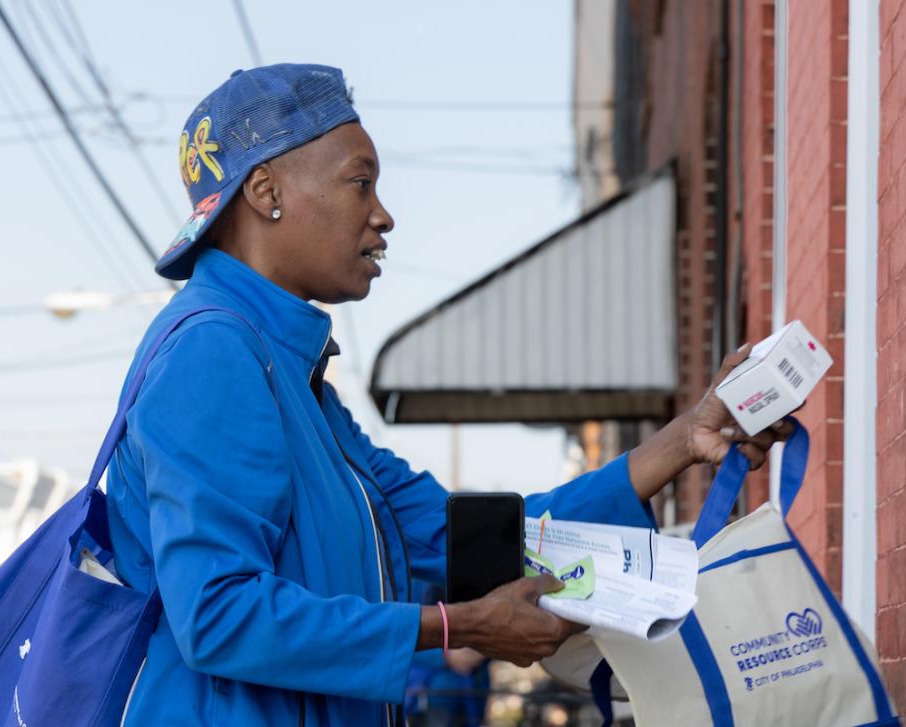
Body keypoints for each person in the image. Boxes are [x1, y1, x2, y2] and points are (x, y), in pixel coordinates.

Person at [105, 64, 789, 726]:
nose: (384, 216)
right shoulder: (211, 353)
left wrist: (688, 439)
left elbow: (468, 536)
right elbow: (219, 616)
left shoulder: (292, 376)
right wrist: (455, 625)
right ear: (266, 191)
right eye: (360, 183)